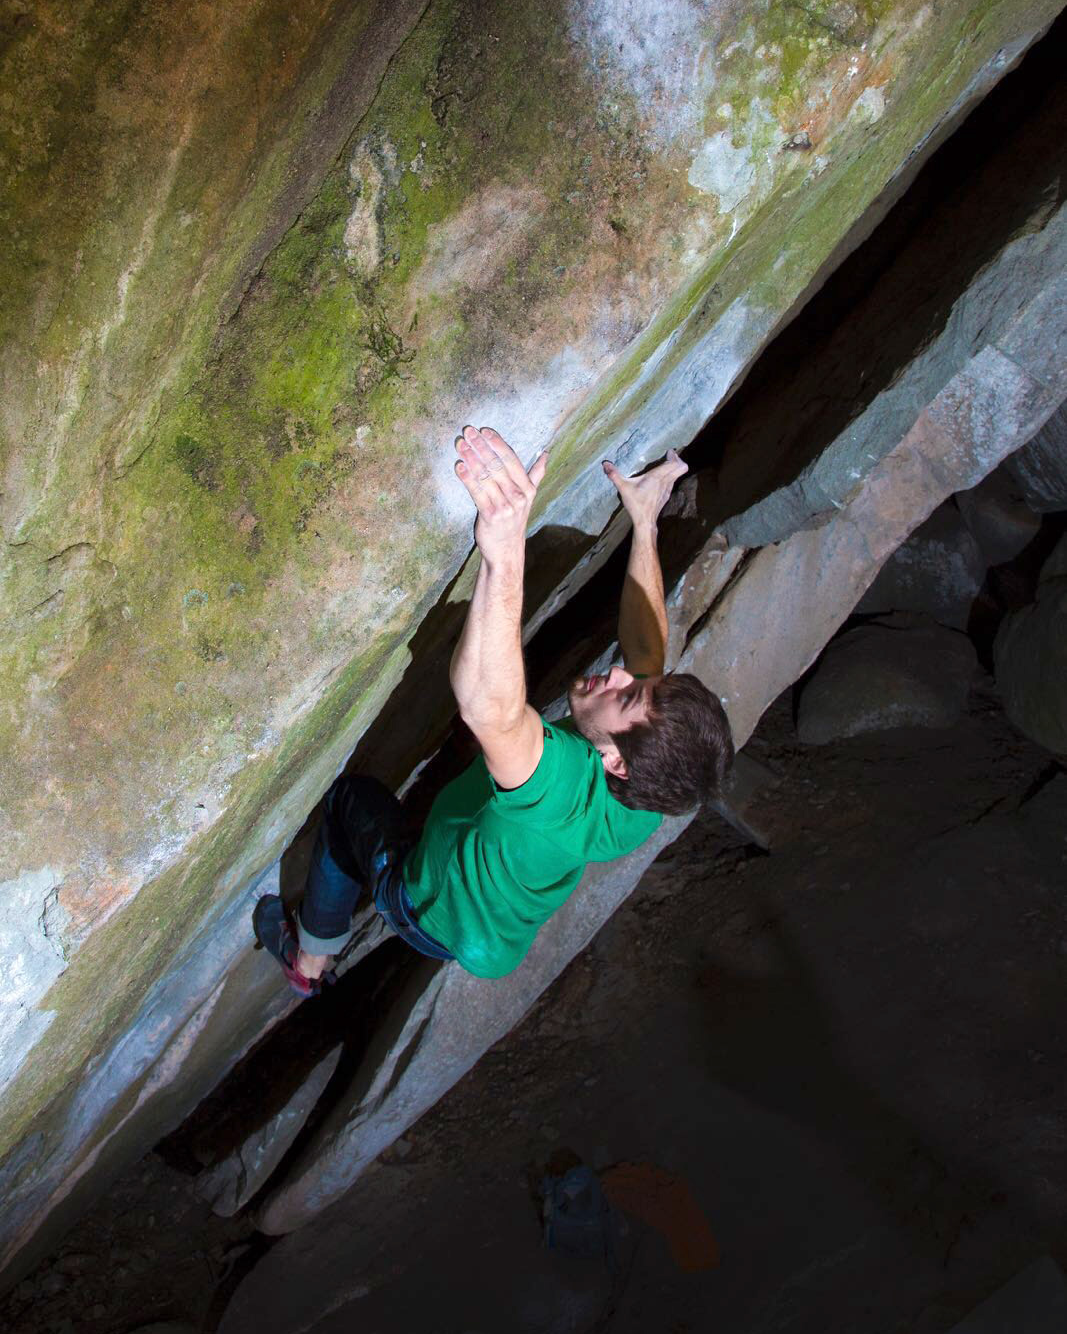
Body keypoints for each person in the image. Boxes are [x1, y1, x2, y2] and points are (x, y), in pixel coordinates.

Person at [254, 425, 734, 993]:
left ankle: (309, 963)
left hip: (426, 911)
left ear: (615, 764)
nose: (624, 674)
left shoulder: (559, 791)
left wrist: (505, 554)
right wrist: (646, 520)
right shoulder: (658, 789)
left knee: (347, 804)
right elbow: (649, 651)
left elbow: (490, 711)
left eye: (627, 695)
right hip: (496, 937)